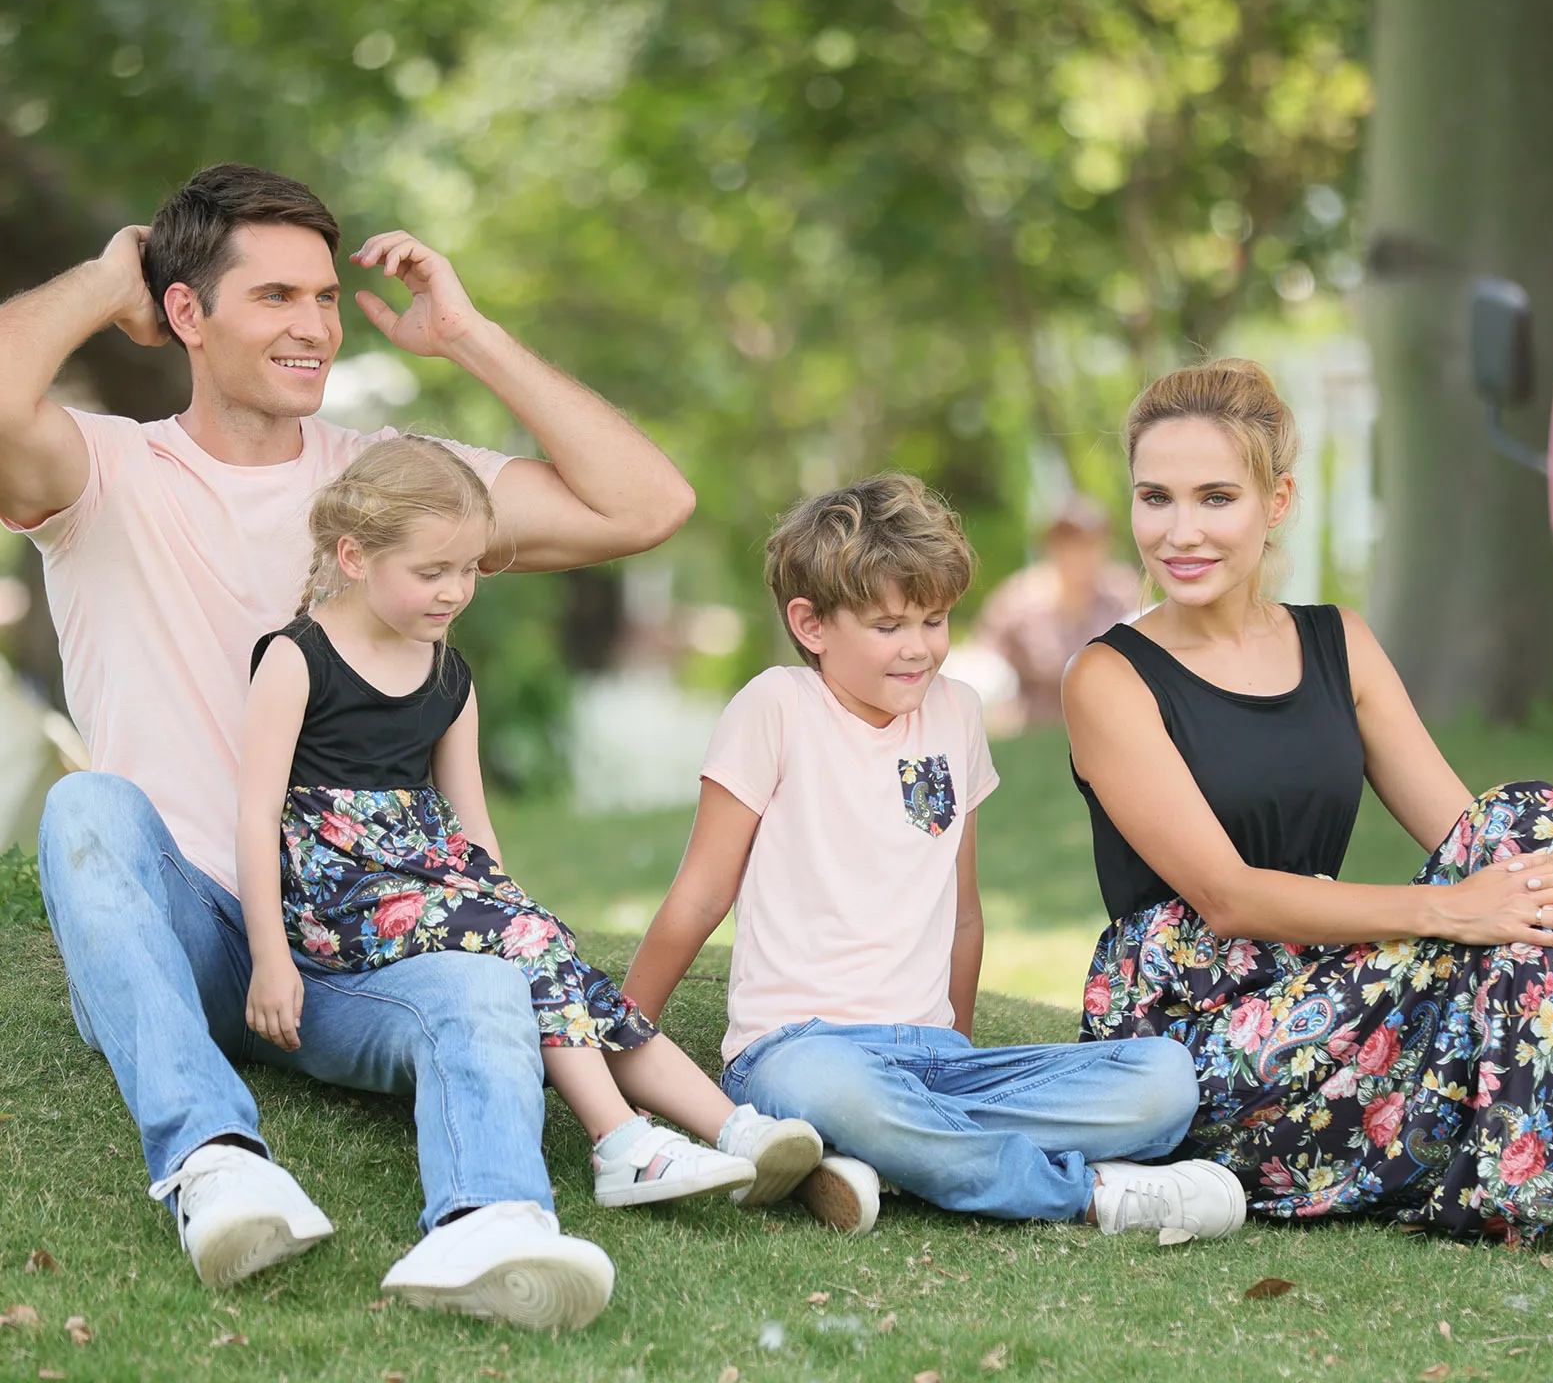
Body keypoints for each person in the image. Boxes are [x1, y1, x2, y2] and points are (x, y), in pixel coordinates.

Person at [0, 164, 698, 1329]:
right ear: (187, 312)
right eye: (275, 296)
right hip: (186, 930)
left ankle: (492, 1223)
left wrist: (467, 336)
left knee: (483, 974)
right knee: (87, 810)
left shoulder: (385, 490)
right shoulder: (102, 469)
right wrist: (103, 279)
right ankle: (216, 1163)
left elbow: (645, 505)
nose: (314, 326)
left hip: (356, 944)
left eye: (324, 297)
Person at [623, 472, 1248, 1241]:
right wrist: (623, 1045)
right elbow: (698, 896)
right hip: (799, 1054)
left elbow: (963, 914)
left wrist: (956, 1048)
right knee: (838, 1092)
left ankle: (888, 1151)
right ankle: (1086, 1194)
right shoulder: (776, 706)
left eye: (935, 619)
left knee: (1164, 1082)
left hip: (936, 1061)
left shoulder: (956, 712)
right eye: (889, 626)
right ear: (811, 624)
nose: (919, 647)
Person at [1063, 357, 1553, 1248]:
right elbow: (1228, 898)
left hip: (1343, 983)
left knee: (1530, 820)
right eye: (1156, 498)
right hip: (1200, 1034)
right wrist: (1454, 911)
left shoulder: (1338, 642)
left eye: (1215, 498)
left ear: (1275, 502)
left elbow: (1478, 841)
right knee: (1523, 883)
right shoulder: (1108, 676)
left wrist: (1552, 872)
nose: (1180, 532)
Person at [238, 436, 824, 1232]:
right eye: (431, 572)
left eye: (468, 570)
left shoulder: (447, 673)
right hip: (339, 900)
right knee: (528, 940)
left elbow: (472, 826)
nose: (454, 591)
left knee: (554, 956)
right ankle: (619, 1141)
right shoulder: (297, 659)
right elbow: (256, 815)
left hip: (431, 884)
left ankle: (735, 1130)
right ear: (354, 556)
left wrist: (516, 912)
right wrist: (270, 959)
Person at [974, 495, 1139, 729]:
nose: (1079, 554)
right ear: (1051, 546)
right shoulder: (1018, 602)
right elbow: (987, 668)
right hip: (1037, 728)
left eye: (1089, 543)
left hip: (1108, 724)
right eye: (1069, 543)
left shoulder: (1122, 595)